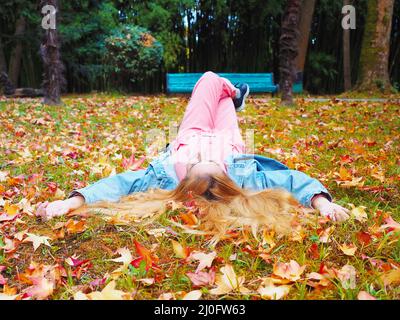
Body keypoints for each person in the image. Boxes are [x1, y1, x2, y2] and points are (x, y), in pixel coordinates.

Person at [36, 71, 349, 239]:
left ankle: (233, 94)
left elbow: (119, 185)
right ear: (226, 175)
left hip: (190, 133)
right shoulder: (241, 175)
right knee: (224, 101)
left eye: (197, 161)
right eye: (212, 161)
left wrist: (70, 202)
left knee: (211, 79)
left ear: (185, 178)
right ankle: (234, 98)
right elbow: (291, 180)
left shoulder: (166, 175)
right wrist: (321, 203)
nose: (203, 156)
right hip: (230, 139)